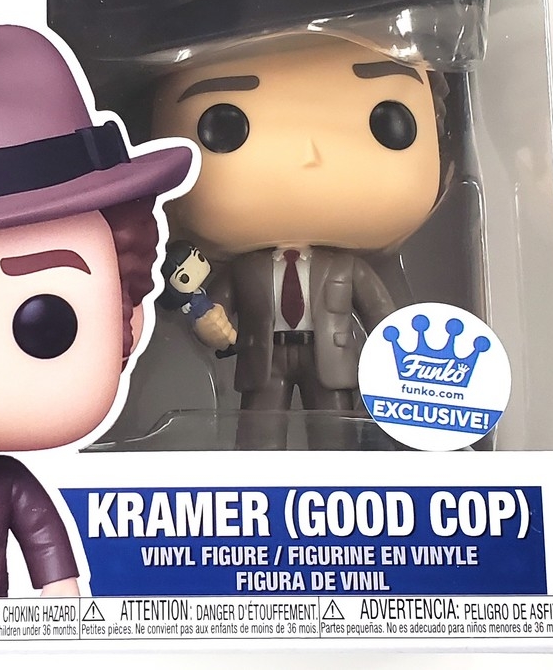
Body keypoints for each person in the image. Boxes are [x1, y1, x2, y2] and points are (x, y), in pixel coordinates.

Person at [0, 24, 194, 597]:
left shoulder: (4, 480)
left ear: (127, 317)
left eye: (42, 323)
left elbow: (45, 542)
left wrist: (60, 598)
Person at [151, 35, 445, 449]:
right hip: (263, 359)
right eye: (224, 128)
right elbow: (213, 312)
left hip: (331, 360)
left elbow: (383, 317)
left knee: (336, 437)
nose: (311, 153)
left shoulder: (348, 267)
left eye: (387, 123)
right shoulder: (244, 269)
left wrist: (408, 366)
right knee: (258, 435)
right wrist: (208, 327)